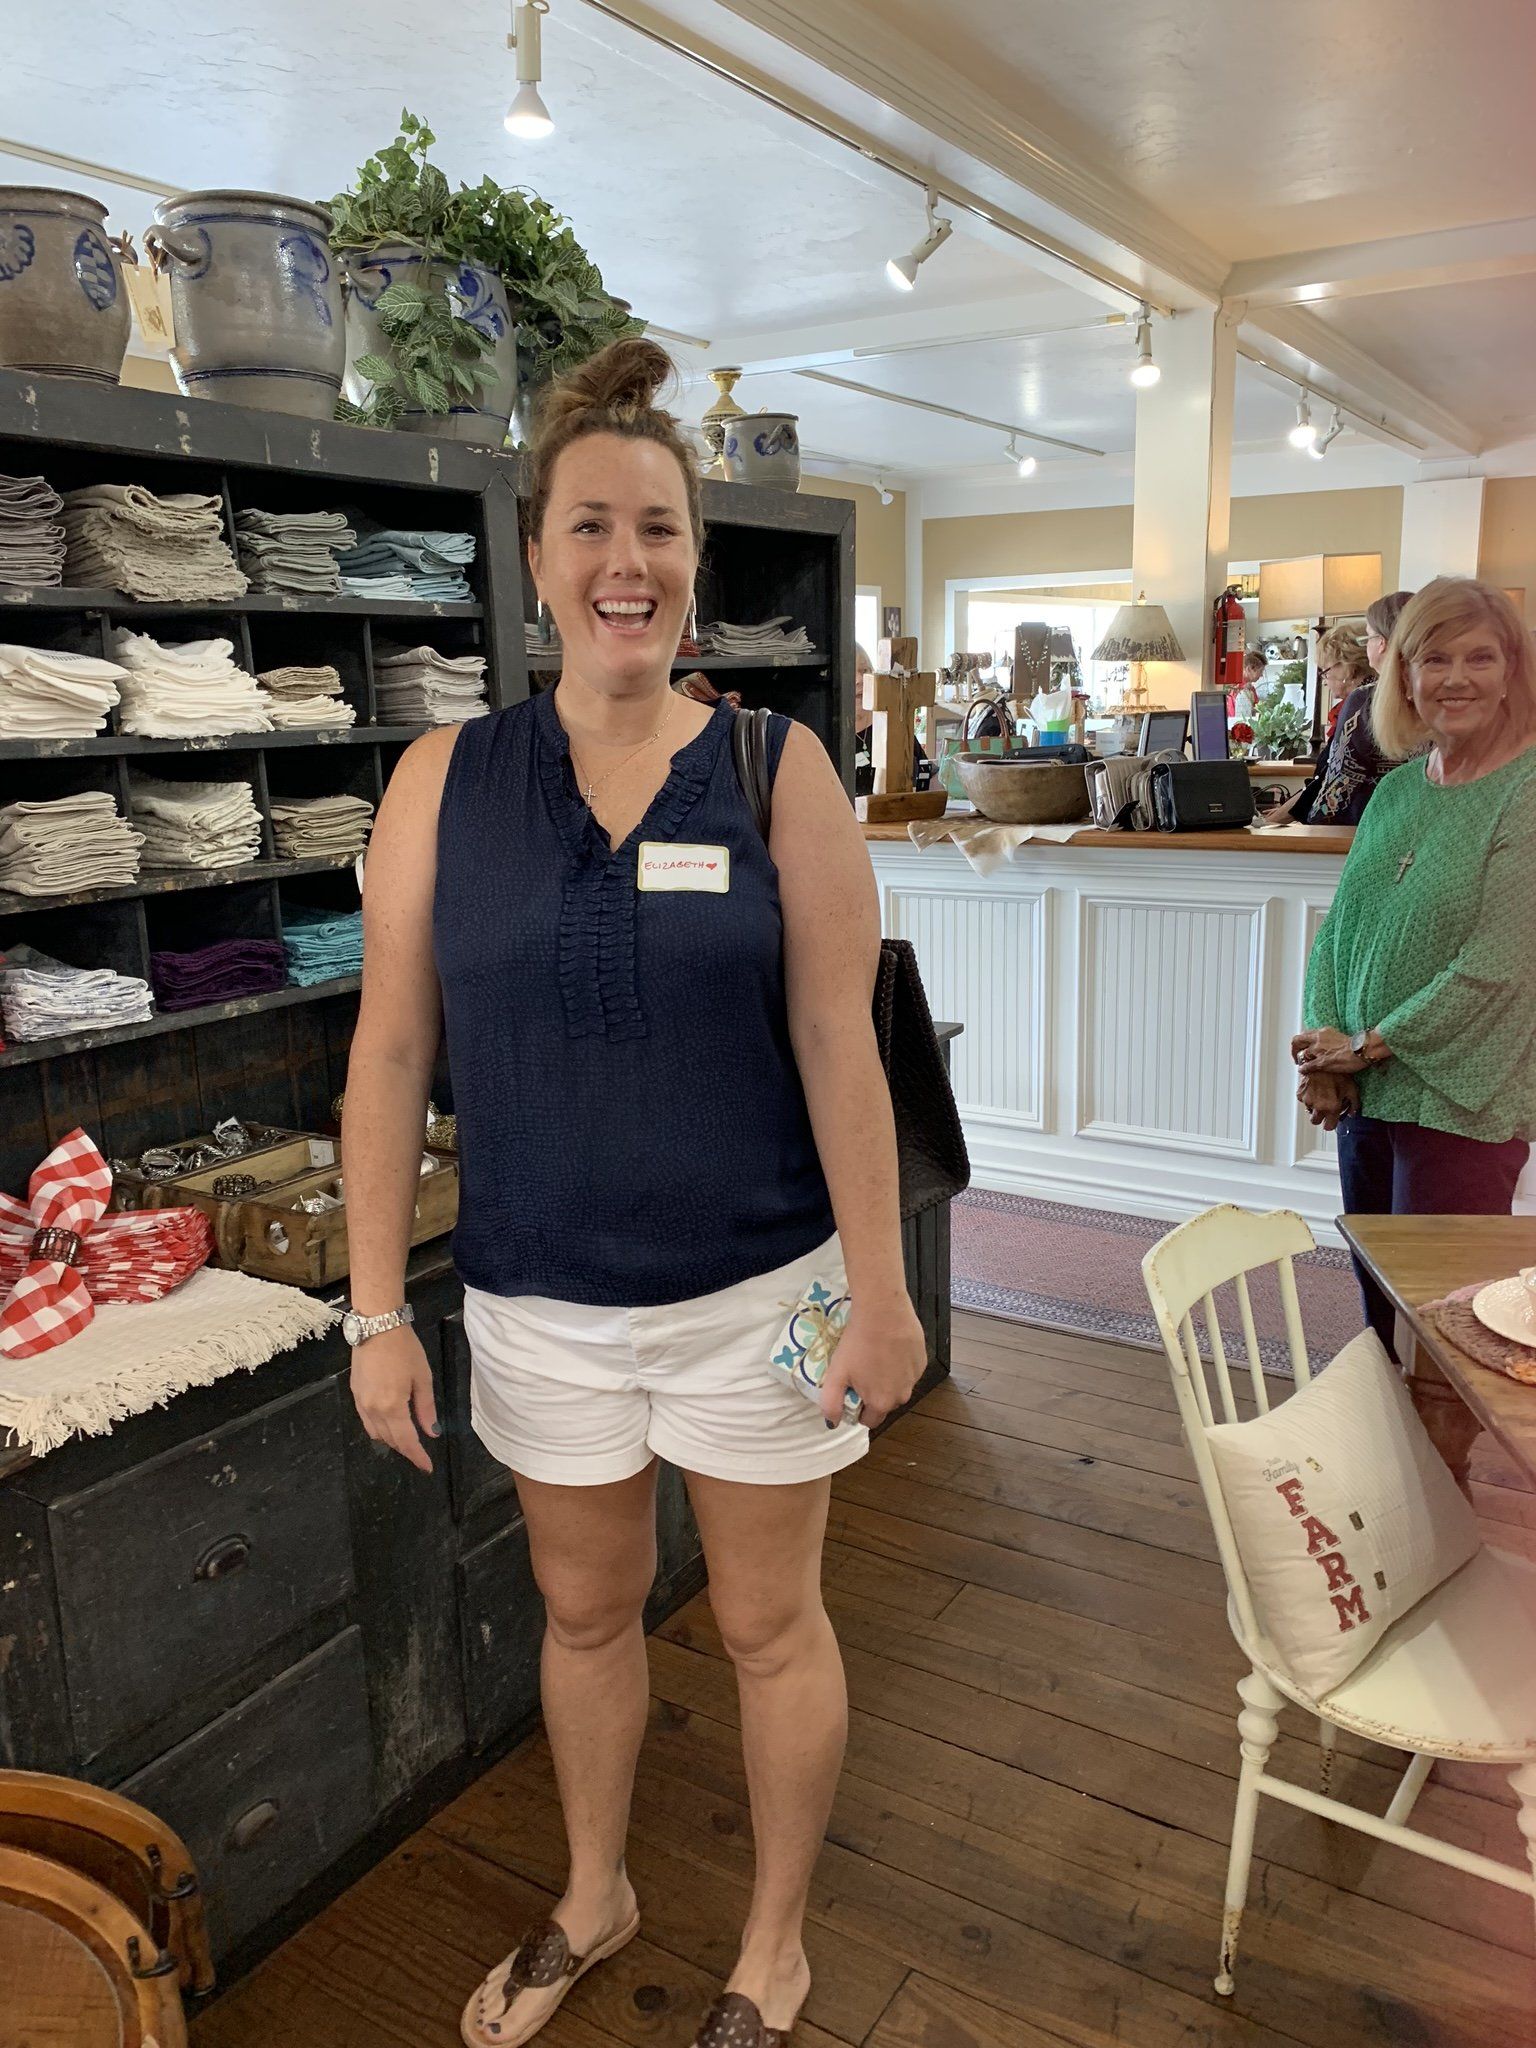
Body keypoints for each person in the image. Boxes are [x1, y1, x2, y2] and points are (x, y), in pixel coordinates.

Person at [341, 336, 924, 2048]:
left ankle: (776, 1944)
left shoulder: (772, 769)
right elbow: (386, 1060)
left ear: (693, 562)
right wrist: (378, 1309)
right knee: (586, 1611)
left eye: (659, 530)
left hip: (760, 1287)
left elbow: (841, 1043)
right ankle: (596, 1894)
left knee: (765, 1621)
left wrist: (882, 1292)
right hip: (538, 1295)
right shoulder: (446, 781)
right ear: (534, 558)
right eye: (592, 526)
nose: (629, 563)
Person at [1291, 577, 1536, 1351]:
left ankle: (1445, 1467)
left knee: (1445, 1318)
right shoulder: (1398, 789)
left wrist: (1361, 1049)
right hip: (1368, 1087)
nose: (1455, 678)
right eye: (1433, 659)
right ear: (1403, 675)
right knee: (1377, 1294)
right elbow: (1341, 932)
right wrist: (1327, 1050)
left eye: (1480, 657)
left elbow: (1497, 964)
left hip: (1463, 1095)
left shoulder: (1527, 791)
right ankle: (1393, 1452)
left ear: (1514, 671)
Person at [1271, 595, 1414, 825]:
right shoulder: (1420, 695)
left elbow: (1336, 788)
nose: (1324, 679)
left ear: (1382, 643)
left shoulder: (1364, 701)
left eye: (1369, 638)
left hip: (1358, 830)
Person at [853, 639, 931, 794]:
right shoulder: (829, 734)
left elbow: (925, 774)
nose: (859, 680)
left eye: (864, 671)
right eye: (850, 672)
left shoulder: (893, 724)